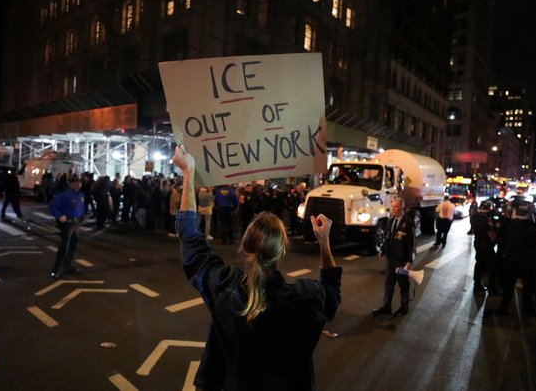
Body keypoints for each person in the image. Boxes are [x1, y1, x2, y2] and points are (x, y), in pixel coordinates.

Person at [172, 145, 341, 390]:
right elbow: (332, 293)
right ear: (282, 248)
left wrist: (189, 172)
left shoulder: (225, 288)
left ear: (245, 244)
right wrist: (324, 242)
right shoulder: (304, 299)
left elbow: (190, 239)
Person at [494, 202, 536, 316]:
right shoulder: (530, 230)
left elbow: (501, 237)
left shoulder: (510, 226)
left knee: (509, 284)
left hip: (511, 259)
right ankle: (528, 309)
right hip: (525, 261)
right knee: (528, 286)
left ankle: (504, 306)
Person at [373, 198, 415, 317]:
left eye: (396, 207)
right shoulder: (391, 221)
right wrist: (383, 250)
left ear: (402, 208)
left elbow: (411, 243)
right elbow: (388, 238)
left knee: (403, 285)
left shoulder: (408, 222)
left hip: (401, 261)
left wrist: (409, 261)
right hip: (391, 259)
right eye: (393, 207)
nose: (393, 209)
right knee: (389, 284)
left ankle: (404, 307)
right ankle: (386, 307)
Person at [48, 175, 85, 279]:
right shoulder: (65, 195)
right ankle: (57, 269)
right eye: (76, 182)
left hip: (76, 223)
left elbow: (81, 207)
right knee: (64, 246)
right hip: (68, 223)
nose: (78, 184)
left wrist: (82, 216)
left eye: (80, 182)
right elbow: (52, 205)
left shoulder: (81, 195)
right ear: (71, 183)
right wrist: (59, 216)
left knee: (73, 246)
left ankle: (67, 265)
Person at [471, 200, 497, 293]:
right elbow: (491, 235)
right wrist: (494, 240)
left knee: (479, 263)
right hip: (486, 244)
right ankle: (492, 287)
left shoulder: (474, 217)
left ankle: (477, 284)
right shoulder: (487, 219)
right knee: (491, 265)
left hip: (477, 242)